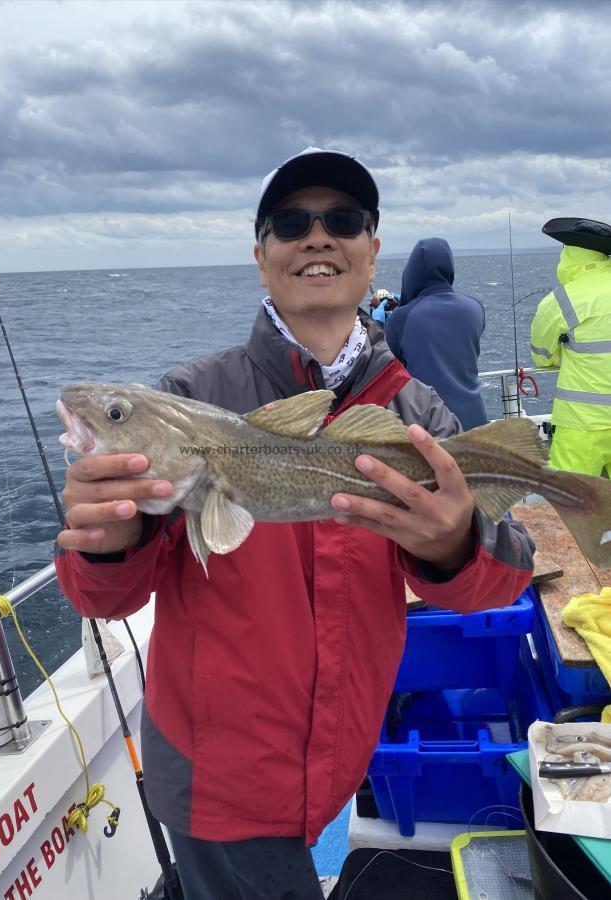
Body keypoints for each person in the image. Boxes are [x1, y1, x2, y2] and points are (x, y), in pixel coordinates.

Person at [55, 147, 534, 900]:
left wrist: (452, 546)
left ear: (372, 252)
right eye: (289, 223)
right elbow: (106, 601)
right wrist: (112, 541)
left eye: (341, 221)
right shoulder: (192, 392)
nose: (316, 237)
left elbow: (495, 582)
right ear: (261, 256)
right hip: (216, 777)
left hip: (340, 757)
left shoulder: (419, 414)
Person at [530, 217, 611, 476]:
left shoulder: (561, 299)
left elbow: (542, 356)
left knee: (573, 505)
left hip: (580, 423)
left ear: (569, 257)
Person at [384, 237, 488, 431]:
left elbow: (388, 367)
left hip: (429, 424)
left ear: (412, 272)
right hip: (476, 422)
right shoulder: (475, 308)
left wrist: (385, 318)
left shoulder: (402, 317)